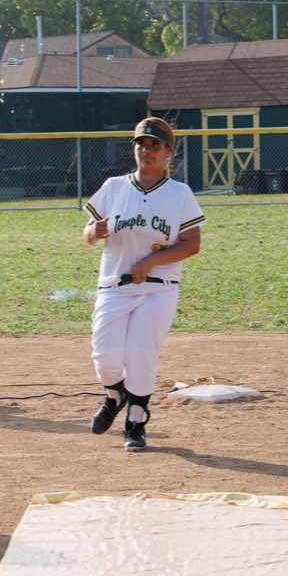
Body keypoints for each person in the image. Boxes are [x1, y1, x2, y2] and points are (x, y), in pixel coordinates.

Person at [82, 117, 205, 451]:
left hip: (159, 287)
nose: (146, 150)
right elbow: (88, 233)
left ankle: (136, 420)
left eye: (154, 145)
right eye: (141, 144)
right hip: (114, 285)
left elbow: (192, 244)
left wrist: (151, 261)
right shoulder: (114, 187)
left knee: (140, 354)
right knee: (105, 357)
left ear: (168, 152)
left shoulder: (180, 194)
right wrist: (93, 232)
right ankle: (115, 395)